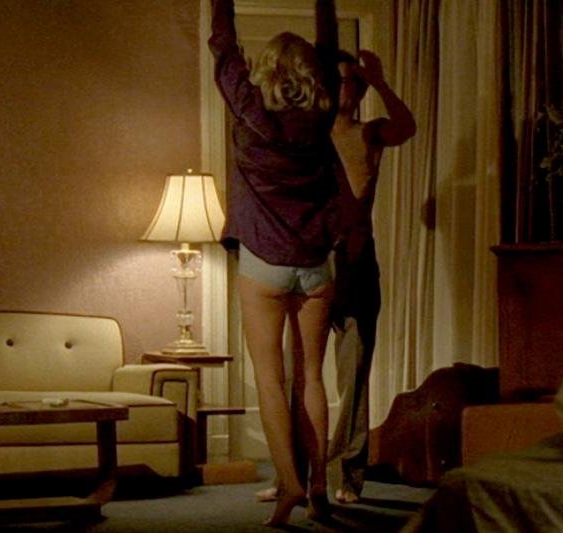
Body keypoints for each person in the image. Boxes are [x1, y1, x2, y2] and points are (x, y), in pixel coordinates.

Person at [208, 0, 340, 526]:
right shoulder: (322, 114)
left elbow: (224, 47)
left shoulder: (250, 111)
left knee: (269, 378)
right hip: (316, 265)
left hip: (264, 262)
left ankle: (289, 486)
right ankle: (320, 487)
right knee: (312, 378)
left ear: (265, 72)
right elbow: (328, 48)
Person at [327, 49, 415, 504]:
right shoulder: (309, 135)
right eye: (342, 81)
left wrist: (379, 81)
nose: (349, 90)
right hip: (312, 264)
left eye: (354, 82)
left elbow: (407, 127)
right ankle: (294, 475)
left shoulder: (369, 132)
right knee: (294, 375)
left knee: (355, 375)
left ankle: (348, 474)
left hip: (358, 262)